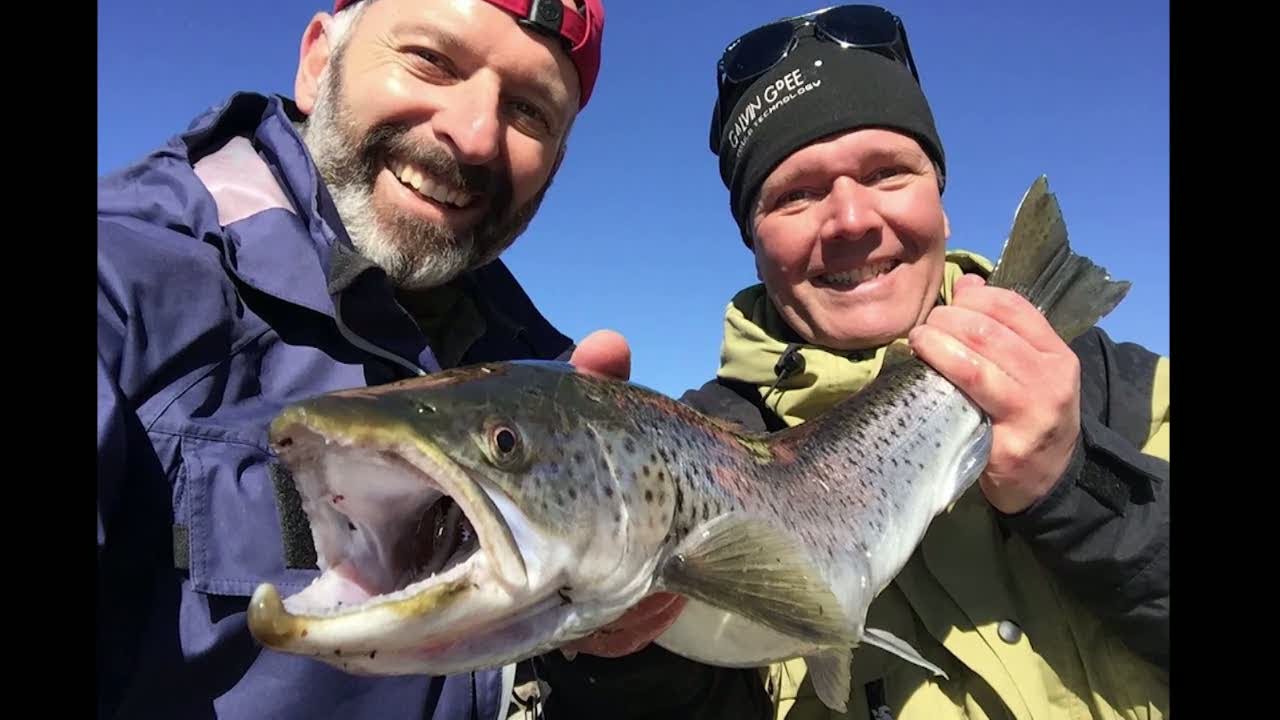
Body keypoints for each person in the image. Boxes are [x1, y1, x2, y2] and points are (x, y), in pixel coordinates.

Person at [96, 1, 772, 718]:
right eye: (432, 60)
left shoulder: (544, 374)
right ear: (318, 59)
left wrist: (615, 651)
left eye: (530, 110)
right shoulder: (121, 282)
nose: (476, 135)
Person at [666, 5, 1168, 719]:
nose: (850, 220)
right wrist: (625, 659)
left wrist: (1076, 482)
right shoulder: (699, 449)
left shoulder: (1123, 386)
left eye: (887, 173)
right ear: (754, 239)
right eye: (797, 194)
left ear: (941, 201)